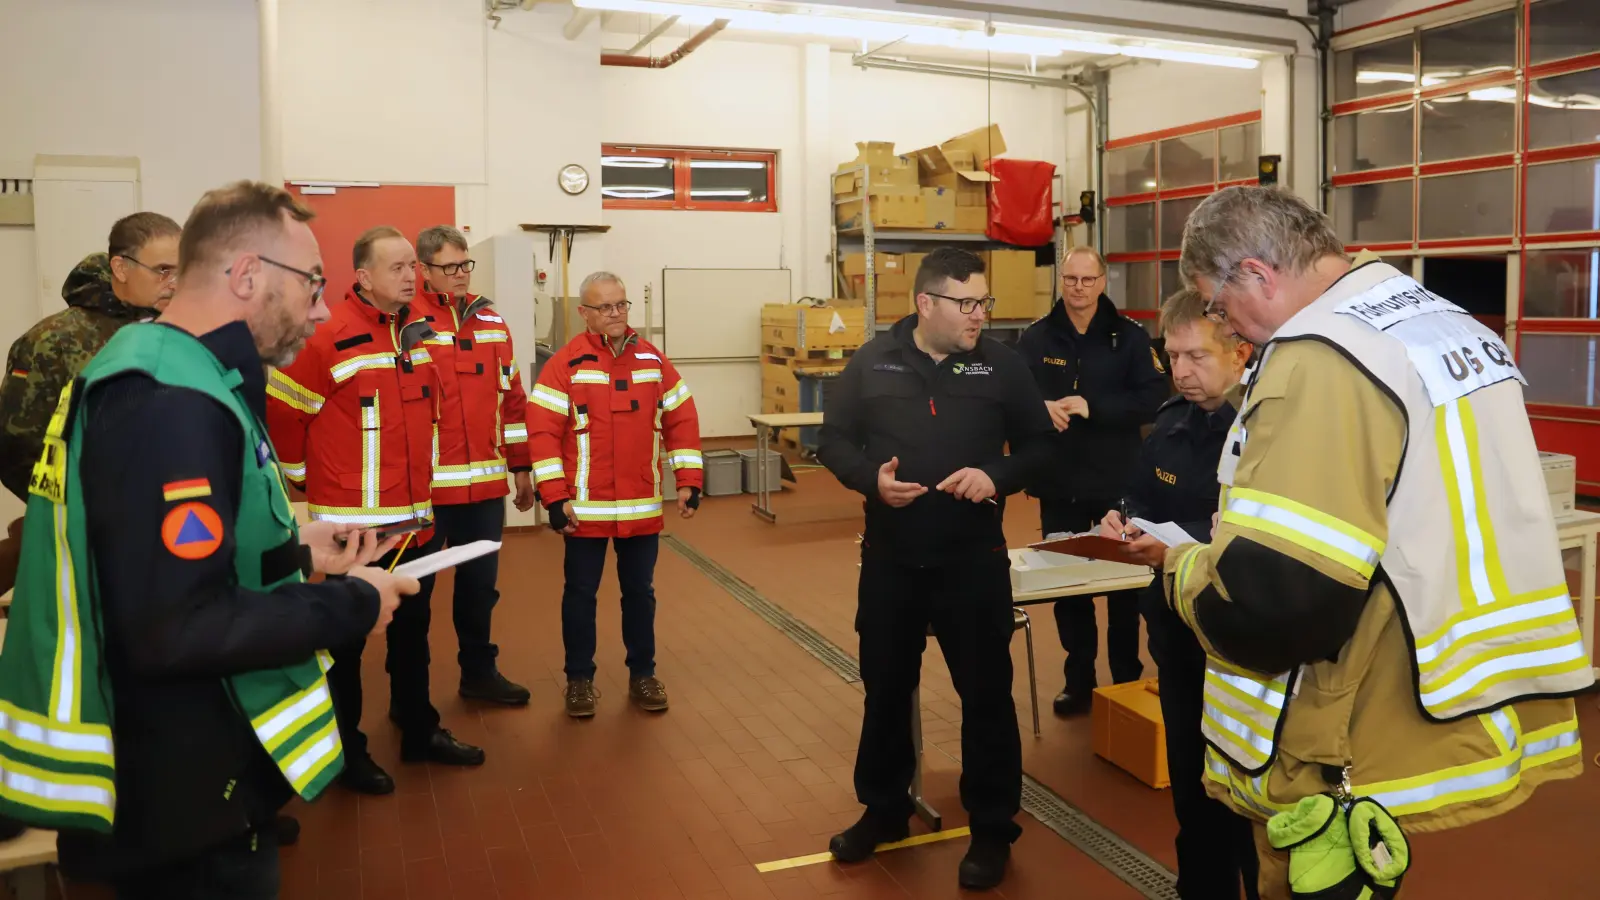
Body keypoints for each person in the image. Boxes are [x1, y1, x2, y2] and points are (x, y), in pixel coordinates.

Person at [1159, 185, 1589, 899]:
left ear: (1256, 275)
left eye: (1215, 303)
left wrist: (1183, 572)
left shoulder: (1319, 357)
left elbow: (1278, 603)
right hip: (1449, 685)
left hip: (1342, 718)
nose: (1222, 322)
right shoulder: (1448, 325)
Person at [0, 180, 418, 899]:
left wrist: (297, 553)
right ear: (248, 275)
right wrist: (353, 603)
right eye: (312, 284)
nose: (321, 309)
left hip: (184, 787)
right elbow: (174, 626)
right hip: (177, 809)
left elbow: (145, 561)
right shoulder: (171, 403)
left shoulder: (166, 365)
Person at [817, 247, 1054, 891]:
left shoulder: (1002, 366)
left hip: (971, 563)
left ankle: (992, 828)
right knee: (886, 691)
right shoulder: (873, 361)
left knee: (985, 698)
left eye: (985, 303)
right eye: (967, 303)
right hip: (892, 563)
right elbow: (831, 438)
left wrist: (995, 475)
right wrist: (871, 482)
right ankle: (886, 809)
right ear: (926, 304)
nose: (979, 315)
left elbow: (1040, 445)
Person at [267, 225, 486, 795]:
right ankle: (346, 752)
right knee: (345, 645)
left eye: (414, 266)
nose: (411, 276)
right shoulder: (327, 338)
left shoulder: (419, 335)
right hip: (352, 534)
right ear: (362, 276)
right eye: (397, 268)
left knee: (413, 633)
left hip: (414, 523)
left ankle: (419, 730)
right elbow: (286, 418)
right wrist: (302, 487)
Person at [1097, 291, 1258, 900]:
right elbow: (1138, 495)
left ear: (1239, 352)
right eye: (1172, 356)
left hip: (1241, 649)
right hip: (1178, 636)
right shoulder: (1168, 425)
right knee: (1193, 793)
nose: (1182, 371)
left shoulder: (1266, 436)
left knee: (1251, 799)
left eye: (1196, 356)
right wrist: (1121, 519)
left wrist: (1179, 552)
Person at [526, 272, 702, 718]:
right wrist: (553, 497)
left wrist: (688, 480)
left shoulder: (653, 361)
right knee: (580, 596)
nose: (616, 314)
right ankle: (579, 680)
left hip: (640, 507)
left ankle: (643, 674)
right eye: (604, 307)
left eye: (621, 305)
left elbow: (681, 419)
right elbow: (543, 434)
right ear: (584, 313)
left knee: (639, 594)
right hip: (583, 511)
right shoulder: (564, 366)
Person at [1016, 246, 1169, 716]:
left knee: (1126, 586)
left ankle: (1124, 677)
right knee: (1068, 586)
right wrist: (1039, 409)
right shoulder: (1037, 338)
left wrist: (1093, 408)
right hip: (1059, 484)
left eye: (1087, 279)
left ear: (1103, 282)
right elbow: (1014, 393)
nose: (1078, 288)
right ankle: (1078, 679)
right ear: (1061, 282)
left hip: (1117, 483)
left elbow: (1152, 397)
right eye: (1070, 280)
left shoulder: (1129, 337)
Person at [412, 225, 535, 706]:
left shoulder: (491, 322)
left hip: (484, 488)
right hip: (425, 493)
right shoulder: (407, 324)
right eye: (450, 268)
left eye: (465, 265)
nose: (461, 275)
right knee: (414, 597)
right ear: (425, 270)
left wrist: (520, 469)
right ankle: (413, 697)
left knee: (480, 590)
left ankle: (479, 675)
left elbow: (513, 401)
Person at [0, 212, 181, 502]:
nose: (173, 283)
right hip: (86, 524)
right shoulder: (53, 341)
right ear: (121, 269)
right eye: (163, 270)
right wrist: (86, 508)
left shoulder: (178, 335)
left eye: (180, 272)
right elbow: (17, 450)